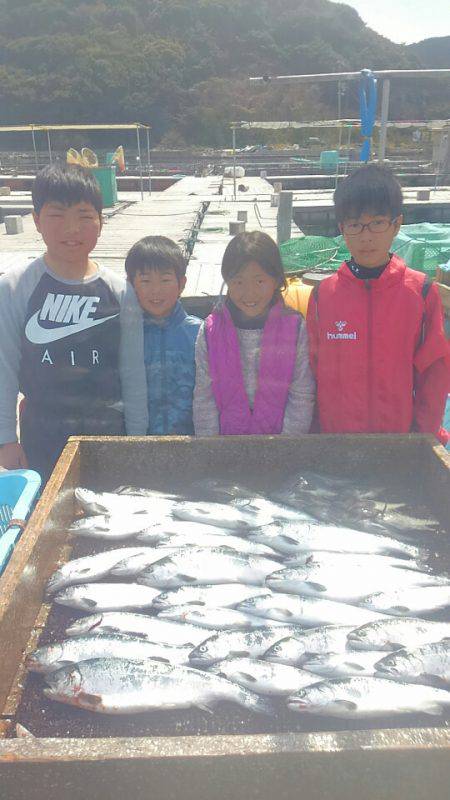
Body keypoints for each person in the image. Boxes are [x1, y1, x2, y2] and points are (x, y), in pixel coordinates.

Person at [0, 163, 147, 480]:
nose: (71, 228)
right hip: (42, 433)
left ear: (100, 222)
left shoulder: (120, 291)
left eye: (83, 216)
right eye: (57, 215)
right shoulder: (14, 287)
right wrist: (6, 440)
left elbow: (133, 374)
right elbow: (4, 370)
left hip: (107, 433)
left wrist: (138, 440)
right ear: (37, 221)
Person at [306, 164, 450, 439]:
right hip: (337, 442)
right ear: (342, 228)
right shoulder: (323, 296)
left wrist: (422, 436)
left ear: (397, 224)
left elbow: (434, 373)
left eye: (377, 223)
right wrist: (315, 438)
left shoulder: (420, 292)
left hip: (399, 441)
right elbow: (311, 372)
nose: (366, 236)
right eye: (355, 225)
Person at [193, 230, 315, 435]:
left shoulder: (294, 329)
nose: (249, 292)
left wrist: (288, 447)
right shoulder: (210, 331)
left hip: (278, 446)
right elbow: (204, 397)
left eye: (259, 281)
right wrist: (210, 449)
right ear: (227, 280)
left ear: (276, 280)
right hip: (227, 445)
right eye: (238, 282)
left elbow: (301, 394)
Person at [125, 235, 201, 435]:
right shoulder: (125, 334)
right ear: (131, 284)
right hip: (138, 443)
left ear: (182, 284)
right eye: (146, 280)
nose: (156, 290)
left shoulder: (200, 333)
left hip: (190, 443)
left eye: (165, 280)